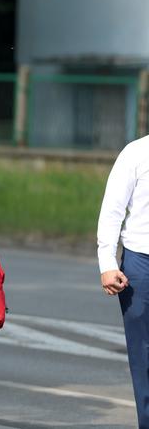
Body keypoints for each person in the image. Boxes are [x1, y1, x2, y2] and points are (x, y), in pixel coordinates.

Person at [97, 135, 149, 428]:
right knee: (144, 355)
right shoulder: (136, 153)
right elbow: (113, 210)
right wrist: (107, 263)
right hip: (142, 263)